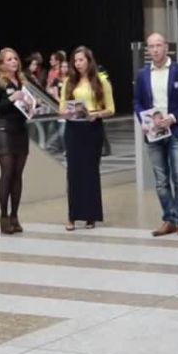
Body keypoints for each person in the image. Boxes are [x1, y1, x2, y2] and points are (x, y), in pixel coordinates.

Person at [134, 33, 178, 238]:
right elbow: (137, 102)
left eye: (158, 45)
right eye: (151, 46)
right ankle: (169, 218)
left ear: (166, 47)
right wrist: (144, 120)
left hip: (177, 131)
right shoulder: (143, 74)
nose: (155, 50)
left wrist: (173, 117)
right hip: (154, 133)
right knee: (161, 180)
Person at [60, 46, 115, 231]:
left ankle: (91, 215)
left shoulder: (101, 82)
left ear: (89, 61)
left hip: (92, 128)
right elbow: (61, 107)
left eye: (81, 60)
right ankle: (72, 216)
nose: (78, 64)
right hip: (74, 129)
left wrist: (96, 114)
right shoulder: (69, 82)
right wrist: (67, 112)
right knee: (73, 173)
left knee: (91, 172)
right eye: (75, 61)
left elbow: (111, 109)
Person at [0, 47, 33, 235]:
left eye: (15, 58)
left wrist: (30, 106)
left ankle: (15, 215)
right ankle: (4, 215)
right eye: (9, 59)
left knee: (18, 174)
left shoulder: (22, 82)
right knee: (7, 172)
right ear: (2, 64)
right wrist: (12, 99)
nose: (14, 62)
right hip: (3, 130)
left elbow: (23, 109)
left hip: (20, 130)